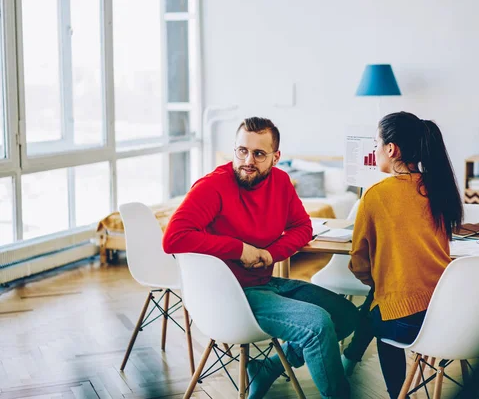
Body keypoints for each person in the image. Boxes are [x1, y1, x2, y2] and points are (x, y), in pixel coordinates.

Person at [163, 117, 357, 399]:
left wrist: (270, 253)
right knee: (316, 325)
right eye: (242, 150)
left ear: (276, 157)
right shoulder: (212, 186)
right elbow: (173, 238)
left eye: (259, 153)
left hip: (264, 284)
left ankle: (268, 367)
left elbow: (302, 226)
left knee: (346, 315)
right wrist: (239, 248)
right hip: (230, 295)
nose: (248, 160)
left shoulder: (280, 182)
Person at [348, 111, 463, 398]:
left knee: (368, 313)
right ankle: (349, 361)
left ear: (391, 149)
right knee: (378, 302)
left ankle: (391, 390)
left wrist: (376, 280)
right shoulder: (436, 187)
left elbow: (358, 264)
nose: (375, 151)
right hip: (449, 311)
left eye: (376, 143)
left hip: (406, 322)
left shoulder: (375, 196)